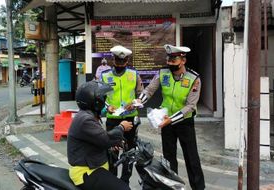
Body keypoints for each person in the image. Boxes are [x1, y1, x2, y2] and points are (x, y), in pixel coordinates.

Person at [137, 44, 205, 190]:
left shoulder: (194, 78)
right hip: (166, 122)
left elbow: (190, 106)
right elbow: (149, 90)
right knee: (168, 158)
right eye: (169, 60)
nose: (169, 63)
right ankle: (171, 187)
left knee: (191, 158)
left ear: (183, 61)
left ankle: (199, 188)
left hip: (184, 122)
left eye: (173, 60)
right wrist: (138, 101)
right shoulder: (163, 73)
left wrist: (171, 119)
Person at [67, 81, 132, 190]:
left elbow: (97, 138)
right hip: (86, 172)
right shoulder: (85, 119)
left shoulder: (87, 115)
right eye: (102, 97)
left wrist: (112, 144)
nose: (104, 100)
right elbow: (106, 139)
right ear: (94, 101)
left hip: (94, 167)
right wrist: (121, 127)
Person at [100, 45, 144, 185]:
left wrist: (136, 103)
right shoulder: (105, 75)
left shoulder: (134, 74)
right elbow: (99, 96)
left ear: (127, 61)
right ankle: (113, 182)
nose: (120, 64)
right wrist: (108, 106)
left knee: (129, 152)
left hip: (130, 119)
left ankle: (125, 182)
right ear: (113, 60)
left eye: (123, 62)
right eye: (117, 61)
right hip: (112, 120)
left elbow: (141, 95)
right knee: (112, 153)